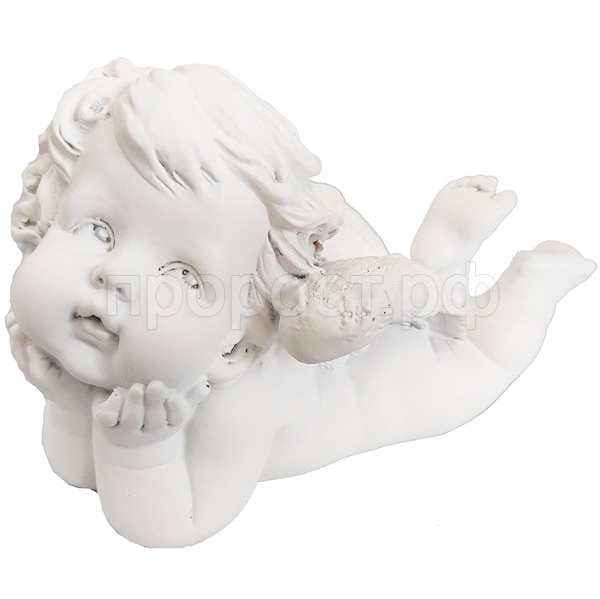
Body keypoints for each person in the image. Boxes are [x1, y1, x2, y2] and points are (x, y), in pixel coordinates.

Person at [7, 59, 595, 547]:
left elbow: (174, 524)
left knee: (479, 357)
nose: (114, 275)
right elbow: (77, 474)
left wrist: (140, 451)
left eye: (182, 275)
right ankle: (438, 265)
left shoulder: (241, 404)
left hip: (403, 386)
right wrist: (66, 402)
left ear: (237, 337)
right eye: (98, 230)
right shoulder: (140, 360)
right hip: (360, 325)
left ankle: (532, 280)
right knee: (433, 311)